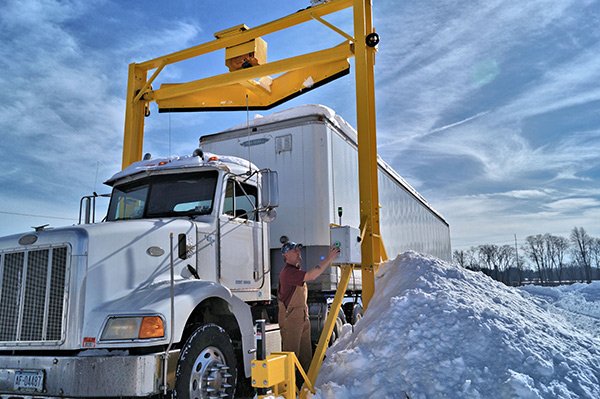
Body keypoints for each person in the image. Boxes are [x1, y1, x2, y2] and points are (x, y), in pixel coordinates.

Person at [277, 238, 340, 372]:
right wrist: (329, 258)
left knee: (305, 356)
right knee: (291, 356)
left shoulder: (295, 271)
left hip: (301, 316)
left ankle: (304, 388)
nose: (299, 252)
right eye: (295, 250)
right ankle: (290, 390)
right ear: (286, 255)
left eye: (299, 250)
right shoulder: (288, 272)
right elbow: (312, 276)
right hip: (291, 318)